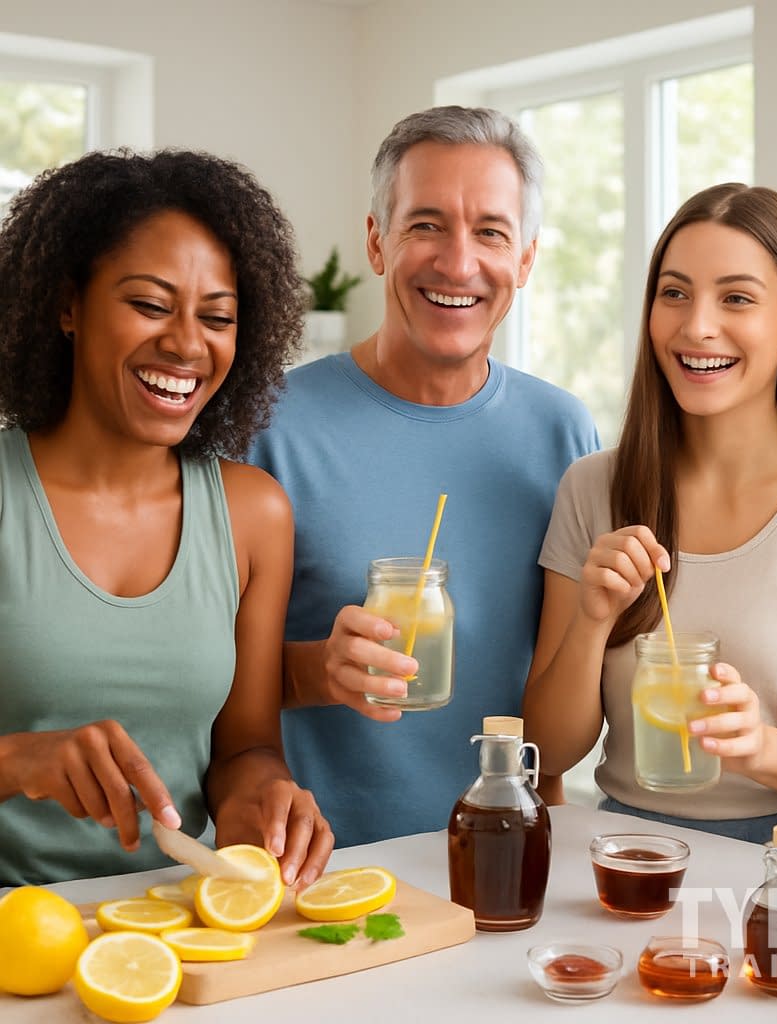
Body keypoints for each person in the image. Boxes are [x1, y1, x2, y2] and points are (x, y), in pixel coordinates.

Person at [522, 183, 777, 865]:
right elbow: (547, 748)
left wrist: (761, 748)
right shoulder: (592, 487)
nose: (697, 327)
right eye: (675, 293)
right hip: (623, 858)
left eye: (737, 298)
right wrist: (594, 619)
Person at [250, 106, 599, 846]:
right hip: (323, 875)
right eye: (427, 224)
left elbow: (552, 701)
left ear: (527, 259)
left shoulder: (564, 432)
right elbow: (201, 684)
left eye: (491, 232)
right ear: (378, 243)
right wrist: (320, 670)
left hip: (503, 863)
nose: (459, 262)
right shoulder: (269, 427)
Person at [0, 149, 333, 888]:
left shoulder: (253, 513)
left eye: (217, 317)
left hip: (177, 927)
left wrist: (265, 799)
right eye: (150, 305)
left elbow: (244, 748)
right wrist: (19, 760)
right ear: (66, 305)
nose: (187, 344)